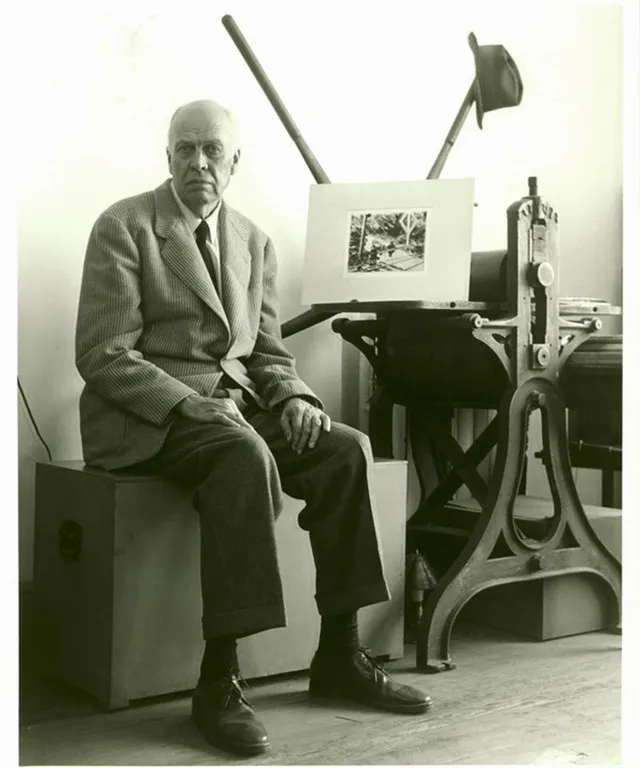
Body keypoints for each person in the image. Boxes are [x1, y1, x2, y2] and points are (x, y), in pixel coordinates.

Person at [75, 99, 431, 756]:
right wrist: (188, 403)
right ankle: (218, 681)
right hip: (148, 418)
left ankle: (339, 656)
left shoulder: (254, 242)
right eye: (185, 148)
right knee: (240, 451)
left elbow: (266, 352)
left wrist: (295, 396)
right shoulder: (123, 226)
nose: (198, 163)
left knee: (345, 448)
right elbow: (102, 353)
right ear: (168, 156)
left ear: (235, 163)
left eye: (212, 150)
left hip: (236, 409)